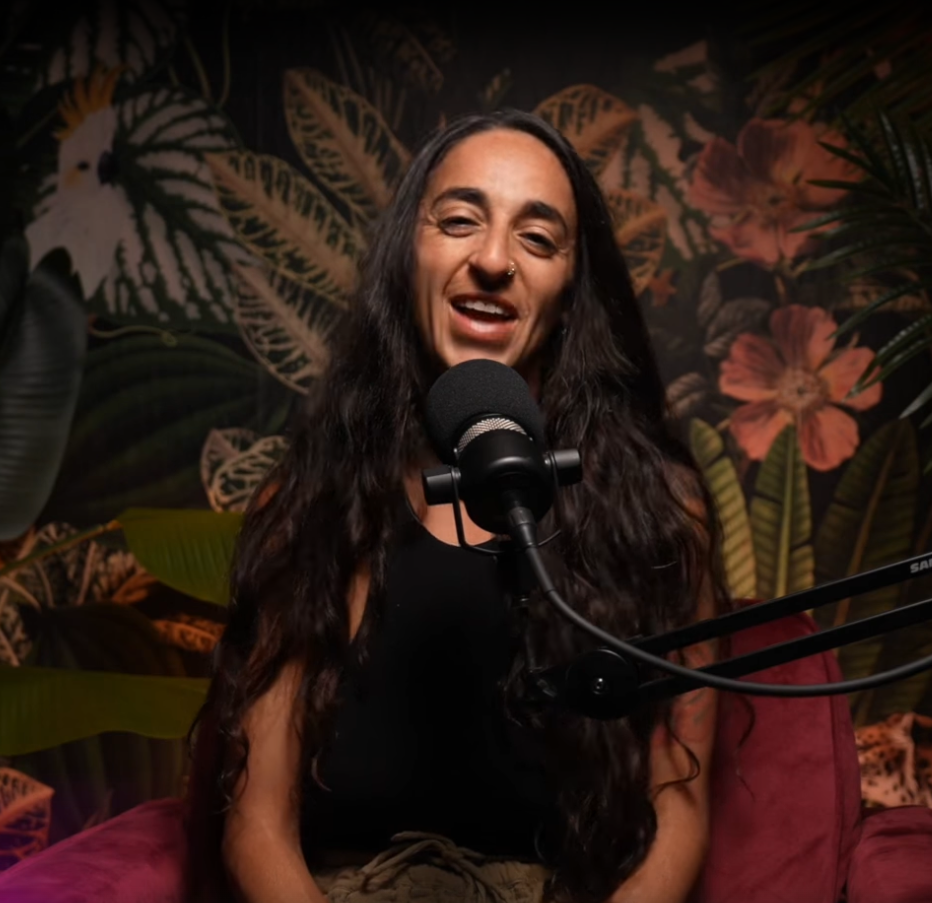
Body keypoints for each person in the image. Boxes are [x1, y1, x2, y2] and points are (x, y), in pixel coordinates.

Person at [186, 109, 727, 903]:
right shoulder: (314, 506)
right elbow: (256, 824)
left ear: (572, 288)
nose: (495, 259)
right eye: (461, 220)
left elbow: (677, 816)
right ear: (412, 250)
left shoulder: (659, 510)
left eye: (538, 238)